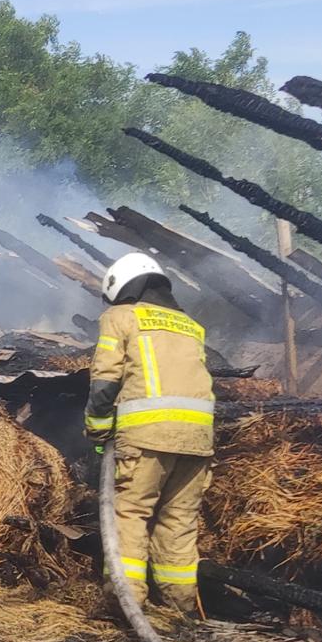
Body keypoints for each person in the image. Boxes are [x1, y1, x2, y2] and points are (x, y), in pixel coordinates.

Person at [86, 252, 216, 616]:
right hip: (198, 441)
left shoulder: (119, 317)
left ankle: (124, 602)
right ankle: (180, 605)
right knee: (178, 520)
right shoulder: (190, 325)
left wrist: (96, 429)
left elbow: (104, 381)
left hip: (146, 437)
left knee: (129, 513)